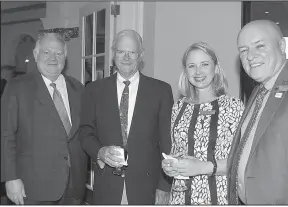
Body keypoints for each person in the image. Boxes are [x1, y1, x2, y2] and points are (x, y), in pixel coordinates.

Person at [80, 29, 174, 205]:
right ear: (113, 53)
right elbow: (85, 131)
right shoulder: (94, 90)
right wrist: (99, 151)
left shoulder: (161, 91)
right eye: (121, 51)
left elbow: (167, 141)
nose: (126, 57)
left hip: (147, 187)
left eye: (132, 52)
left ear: (141, 55)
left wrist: (164, 186)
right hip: (106, 185)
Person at [1, 33, 87, 205]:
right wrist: (10, 178)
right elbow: (5, 134)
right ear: (35, 55)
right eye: (46, 52)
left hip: (74, 185)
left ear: (65, 56)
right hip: (33, 187)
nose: (53, 58)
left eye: (58, 53)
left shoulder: (78, 88)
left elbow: (85, 132)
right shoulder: (17, 87)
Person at [162, 42, 244, 205]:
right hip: (180, 198)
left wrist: (201, 167)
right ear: (185, 71)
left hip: (219, 198)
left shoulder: (234, 106)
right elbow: (177, 150)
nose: (198, 72)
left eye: (204, 64)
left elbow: (240, 161)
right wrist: (169, 165)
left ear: (216, 67)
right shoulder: (179, 106)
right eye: (192, 66)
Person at [227, 20, 288, 205]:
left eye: (260, 46)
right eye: (243, 50)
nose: (250, 56)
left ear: (281, 46)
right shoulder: (260, 90)